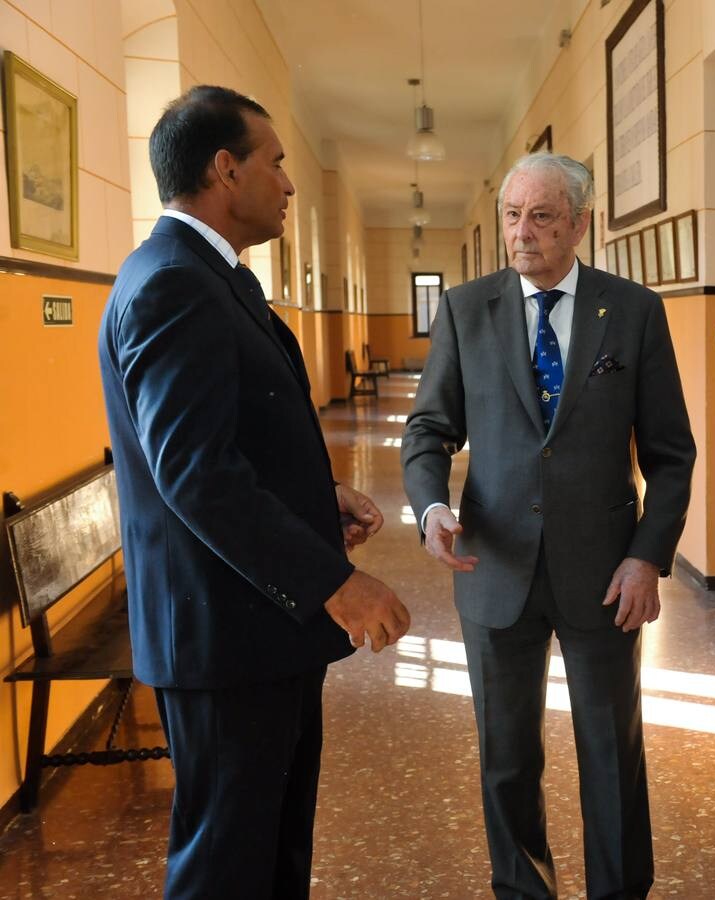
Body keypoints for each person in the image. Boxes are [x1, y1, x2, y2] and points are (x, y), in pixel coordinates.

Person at [98, 85, 410, 899]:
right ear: (225, 169)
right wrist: (334, 584)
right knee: (227, 864)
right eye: (275, 162)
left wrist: (320, 495)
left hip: (252, 628)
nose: (289, 184)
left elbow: (231, 439)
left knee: (269, 851)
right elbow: (195, 473)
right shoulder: (174, 282)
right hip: (224, 638)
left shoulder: (206, 275)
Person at [401, 152, 696, 900]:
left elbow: (670, 453)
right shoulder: (467, 310)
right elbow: (430, 429)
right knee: (506, 759)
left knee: (611, 752)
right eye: (512, 215)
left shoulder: (631, 310)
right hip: (493, 569)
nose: (522, 233)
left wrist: (647, 558)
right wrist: (432, 506)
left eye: (542, 216)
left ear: (580, 224)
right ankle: (522, 889)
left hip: (604, 573)